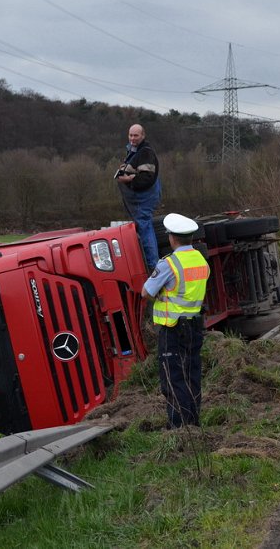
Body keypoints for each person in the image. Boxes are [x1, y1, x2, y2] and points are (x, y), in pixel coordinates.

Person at [141, 213, 209, 428]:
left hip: (173, 328)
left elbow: (146, 292)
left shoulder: (169, 264)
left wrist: (161, 296)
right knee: (192, 375)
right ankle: (193, 422)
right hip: (195, 326)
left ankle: (179, 428)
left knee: (173, 377)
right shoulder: (200, 260)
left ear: (172, 238)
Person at [116, 124, 162, 271]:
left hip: (144, 198)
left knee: (144, 225)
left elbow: (146, 178)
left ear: (143, 136)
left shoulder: (145, 153)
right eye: (130, 135)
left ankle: (152, 266)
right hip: (137, 200)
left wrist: (129, 180)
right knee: (143, 226)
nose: (132, 138)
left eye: (136, 135)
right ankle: (150, 262)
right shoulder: (133, 151)